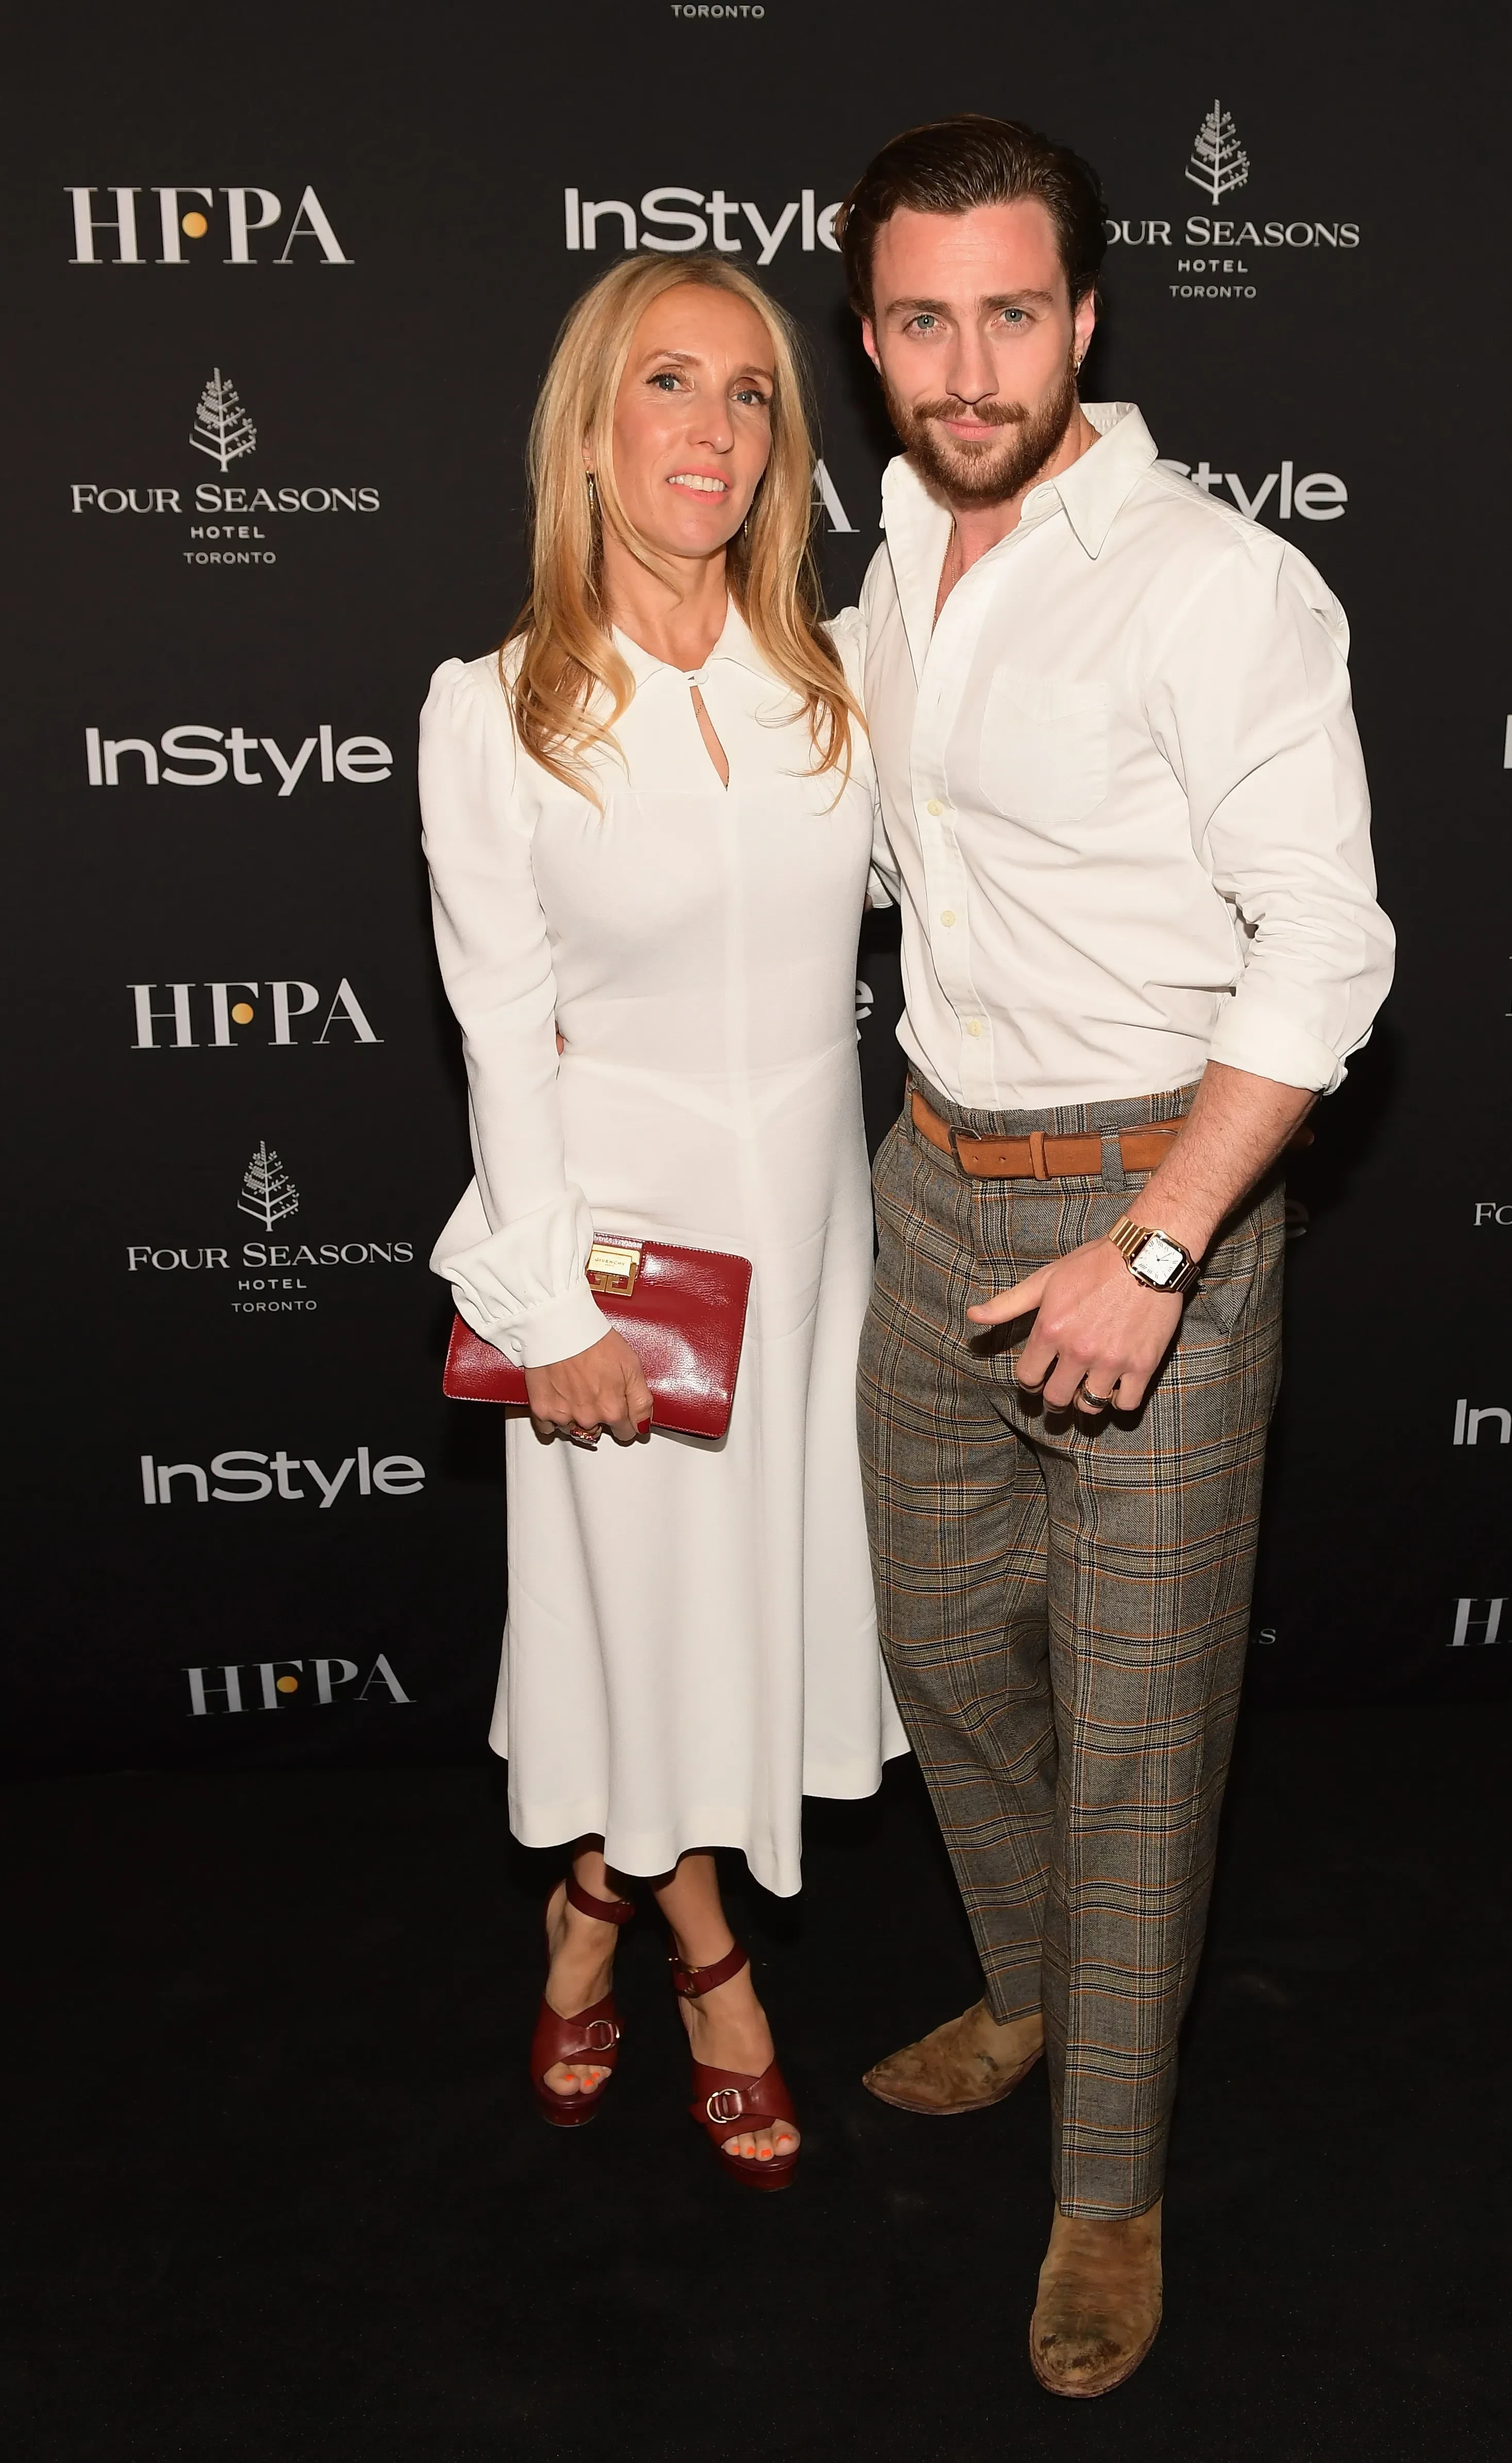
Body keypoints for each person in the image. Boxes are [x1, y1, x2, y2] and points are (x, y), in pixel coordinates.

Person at [842, 119, 1394, 2387]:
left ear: (1082, 317)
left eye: (1010, 313)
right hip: (925, 1188)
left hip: (1150, 1212)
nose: (967, 368)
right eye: (920, 319)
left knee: (1142, 1729)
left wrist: (1155, 1250)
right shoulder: (880, 565)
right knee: (946, 1654)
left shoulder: (1212, 584)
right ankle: (1025, 1983)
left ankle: (1108, 2182)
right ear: (870, 336)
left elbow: (1328, 944)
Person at [419, 252, 904, 2191]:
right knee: (644, 1630)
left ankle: (591, 1905)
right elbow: (497, 1034)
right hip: (629, 1267)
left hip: (815, 1247)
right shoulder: (497, 711)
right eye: (669, 383)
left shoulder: (840, 682)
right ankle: (711, 1971)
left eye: (752, 392)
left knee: (746, 1625)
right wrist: (549, 1306)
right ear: (590, 433)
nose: (714, 427)